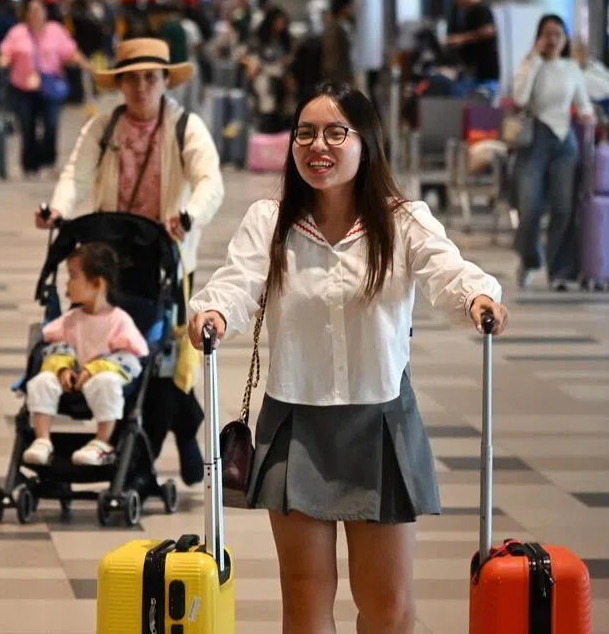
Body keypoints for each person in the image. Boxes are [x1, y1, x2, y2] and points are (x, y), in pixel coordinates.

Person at [187, 83, 508, 634]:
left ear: (366, 143)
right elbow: (237, 283)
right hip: (295, 422)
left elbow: (447, 270)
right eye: (305, 133)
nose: (318, 146)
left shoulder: (403, 221)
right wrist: (213, 312)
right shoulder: (270, 220)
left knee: (388, 606)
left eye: (336, 133)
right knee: (304, 599)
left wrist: (477, 297)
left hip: (380, 423)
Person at [40, 37, 224, 484]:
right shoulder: (104, 128)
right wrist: (58, 209)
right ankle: (157, 441)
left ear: (165, 81)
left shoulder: (186, 127)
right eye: (132, 79)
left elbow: (209, 180)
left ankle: (171, 440)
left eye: (150, 78)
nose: (142, 87)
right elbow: (76, 173)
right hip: (112, 258)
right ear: (119, 84)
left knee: (167, 358)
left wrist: (189, 215)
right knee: (120, 351)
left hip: (167, 257)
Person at [22, 243, 149, 468]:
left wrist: (95, 369)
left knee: (107, 382)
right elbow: (56, 345)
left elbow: (130, 358)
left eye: (73, 276)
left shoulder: (119, 321)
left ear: (97, 283)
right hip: (71, 379)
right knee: (42, 381)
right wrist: (62, 367)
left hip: (101, 379)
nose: (67, 283)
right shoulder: (70, 319)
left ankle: (102, 442)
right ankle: (42, 440)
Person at [512, 14, 593, 290]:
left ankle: (560, 271)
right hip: (535, 138)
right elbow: (520, 98)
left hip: (564, 140)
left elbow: (583, 102)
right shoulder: (530, 64)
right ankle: (530, 259)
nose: (553, 39)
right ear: (539, 38)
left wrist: (587, 114)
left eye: (558, 34)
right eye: (547, 34)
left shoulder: (571, 68)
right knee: (529, 208)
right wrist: (534, 59)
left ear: (565, 38)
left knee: (563, 208)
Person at [0, 0, 88, 178]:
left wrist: (86, 65)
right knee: (27, 126)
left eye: (39, 10)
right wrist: (4, 60)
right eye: (31, 11)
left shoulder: (56, 31)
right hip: (24, 88)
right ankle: (30, 165)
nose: (35, 15)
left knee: (51, 125)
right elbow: (6, 51)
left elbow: (70, 52)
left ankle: (48, 160)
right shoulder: (17, 33)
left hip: (50, 86)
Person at [447, 0, 500, 93]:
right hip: (472, 68)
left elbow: (489, 31)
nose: (455, 1)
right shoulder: (462, 13)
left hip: (486, 69)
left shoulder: (481, 10)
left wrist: (463, 39)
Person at [321, 0, 356, 87]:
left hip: (347, 74)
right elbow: (330, 57)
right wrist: (334, 81)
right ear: (342, 8)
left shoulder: (347, 25)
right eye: (350, 6)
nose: (353, 9)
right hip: (338, 78)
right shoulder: (333, 28)